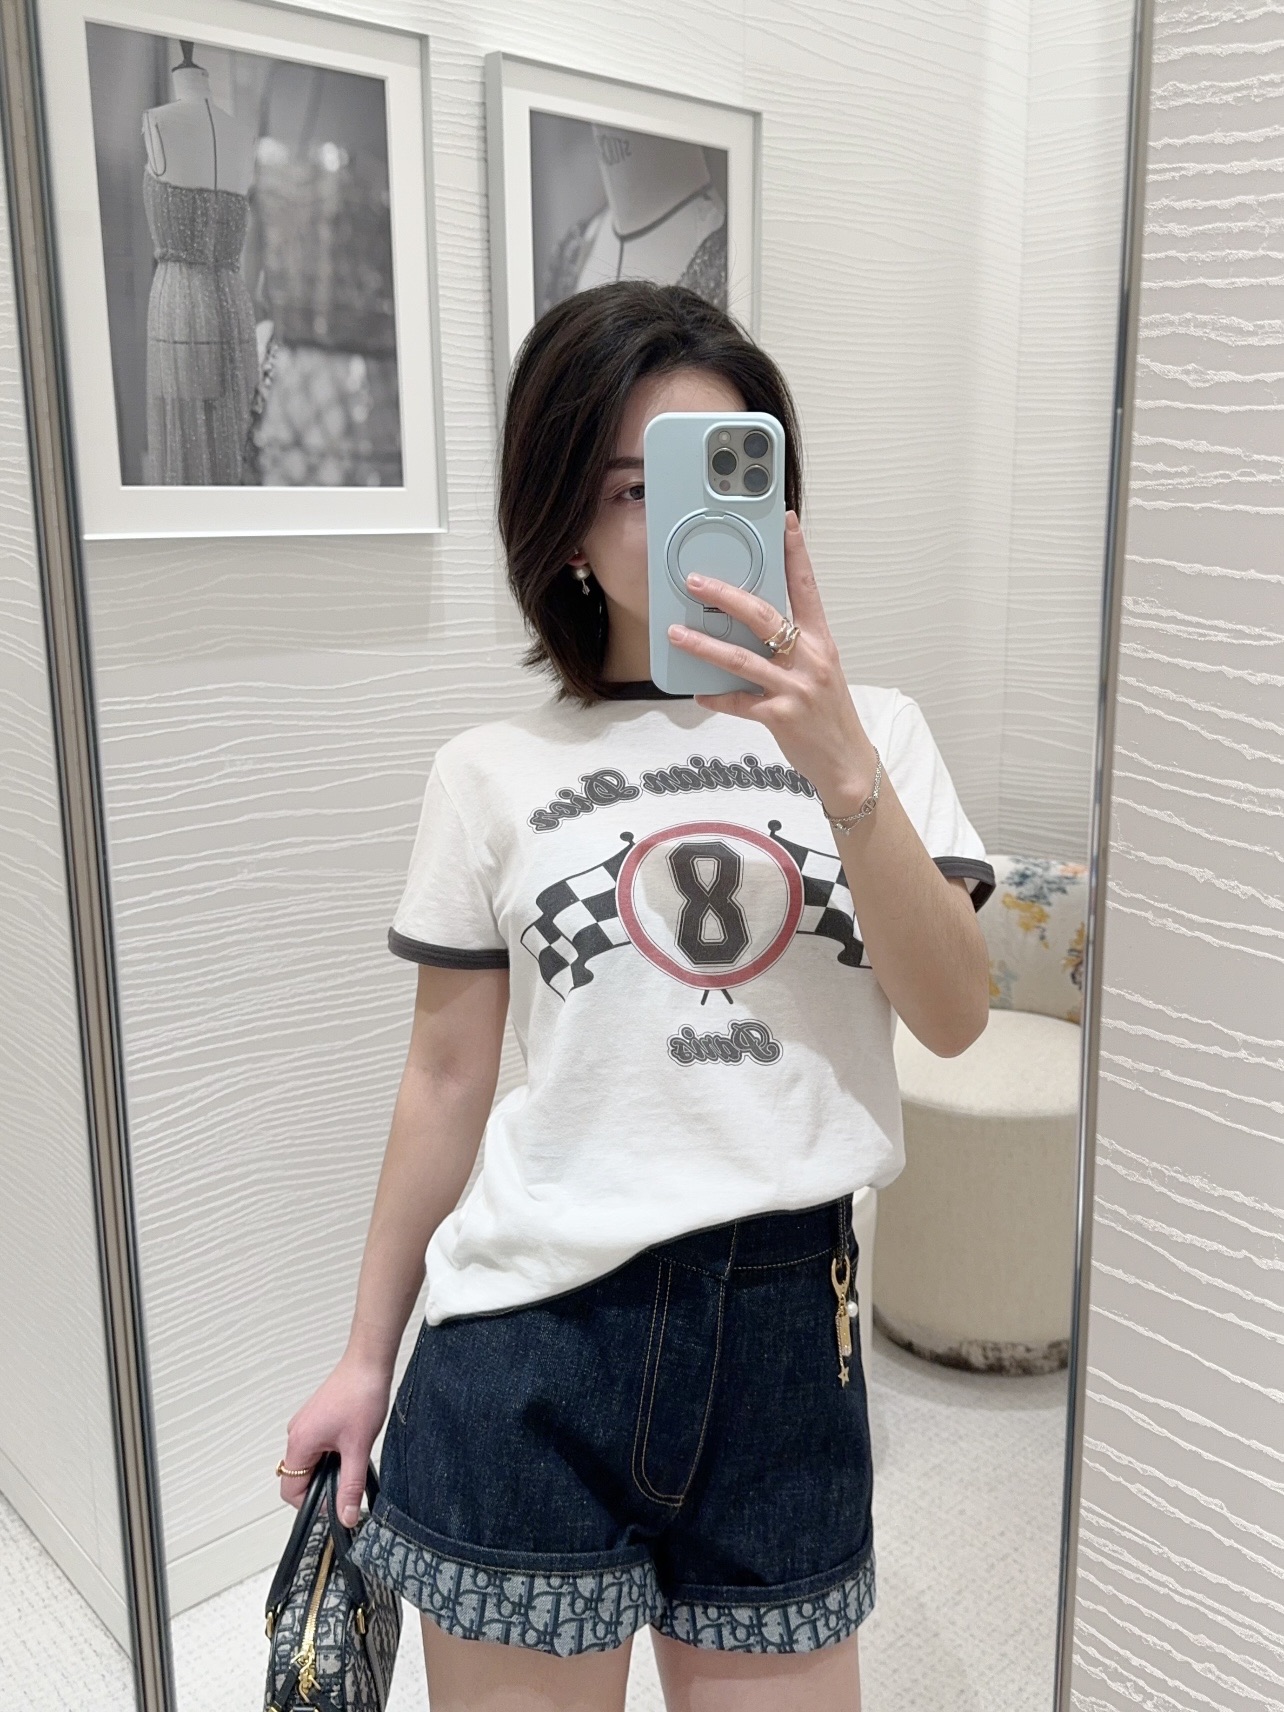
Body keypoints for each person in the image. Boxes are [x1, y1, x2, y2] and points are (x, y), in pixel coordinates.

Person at [276, 281, 995, 1712]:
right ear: (564, 527)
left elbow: (956, 1013)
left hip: (790, 1343)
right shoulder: (489, 771)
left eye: (719, 478)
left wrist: (839, 767)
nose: (676, 529)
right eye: (627, 488)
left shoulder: (881, 738)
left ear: (777, 501)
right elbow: (445, 1082)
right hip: (532, 1347)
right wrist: (365, 1356)